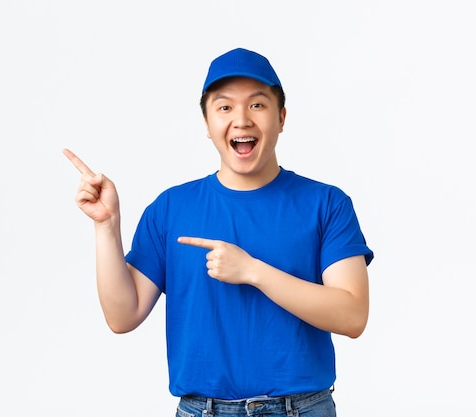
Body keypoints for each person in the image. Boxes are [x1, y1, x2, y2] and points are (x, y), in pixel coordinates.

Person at [64, 47, 374, 417]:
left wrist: (253, 272)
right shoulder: (171, 208)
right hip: (201, 411)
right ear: (207, 124)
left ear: (282, 118)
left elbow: (352, 316)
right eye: (224, 107)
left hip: (302, 409)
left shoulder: (326, 204)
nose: (241, 119)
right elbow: (122, 316)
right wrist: (106, 226)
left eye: (257, 105)